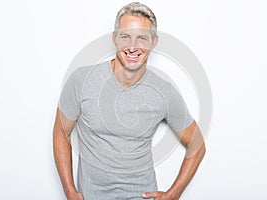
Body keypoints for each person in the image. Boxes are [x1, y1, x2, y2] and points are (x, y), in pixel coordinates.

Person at [53, 2, 206, 200]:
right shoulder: (82, 80)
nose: (133, 47)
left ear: (154, 42)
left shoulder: (163, 92)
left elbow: (198, 146)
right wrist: (69, 191)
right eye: (125, 36)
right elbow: (60, 132)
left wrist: (173, 194)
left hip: (140, 195)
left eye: (142, 38)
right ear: (115, 38)